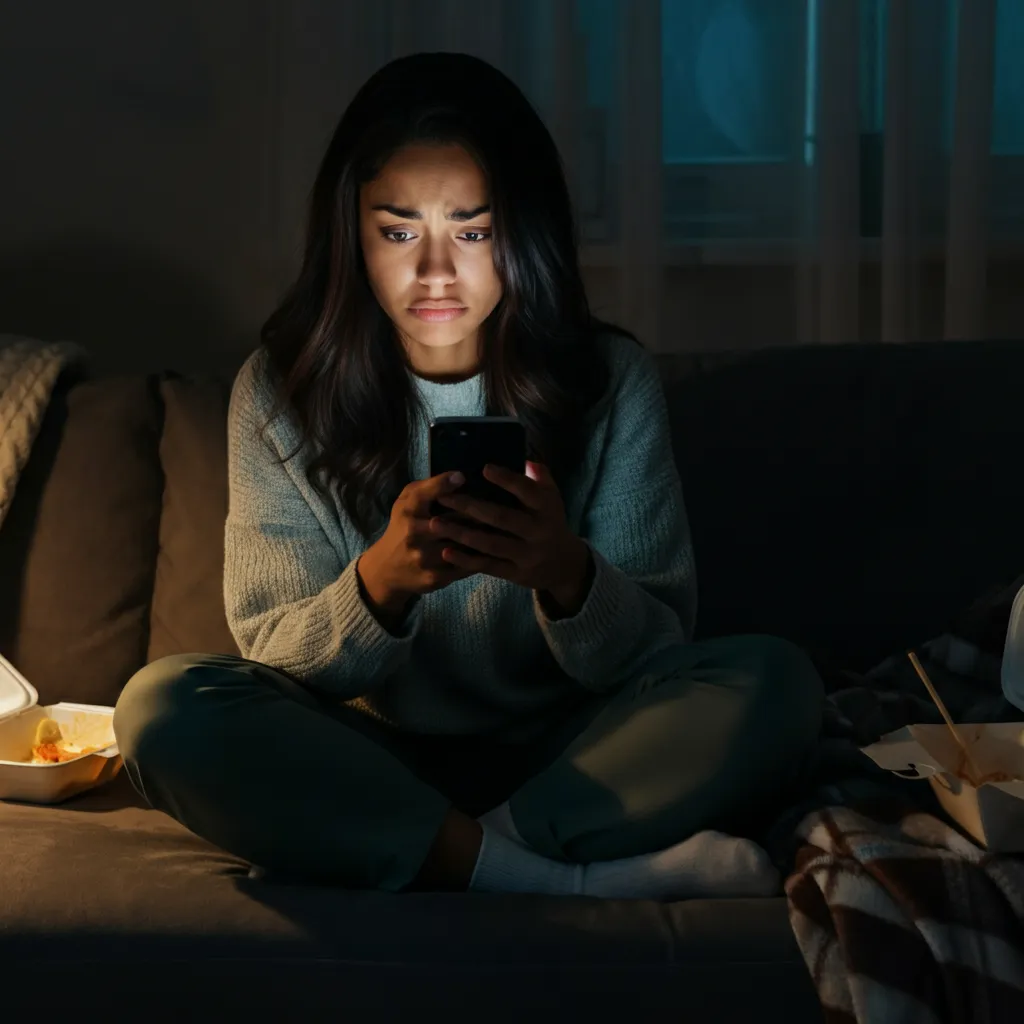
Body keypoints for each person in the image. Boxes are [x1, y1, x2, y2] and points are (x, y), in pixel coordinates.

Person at [114, 52, 823, 900]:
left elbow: (659, 648)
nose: (436, 272)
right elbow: (272, 654)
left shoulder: (607, 380)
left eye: (474, 232)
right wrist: (381, 585)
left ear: (525, 233)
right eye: (399, 230)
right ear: (353, 236)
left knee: (776, 680)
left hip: (574, 749)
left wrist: (563, 573)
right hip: (368, 750)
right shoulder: (279, 393)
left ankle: (456, 854)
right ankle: (556, 881)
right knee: (162, 705)